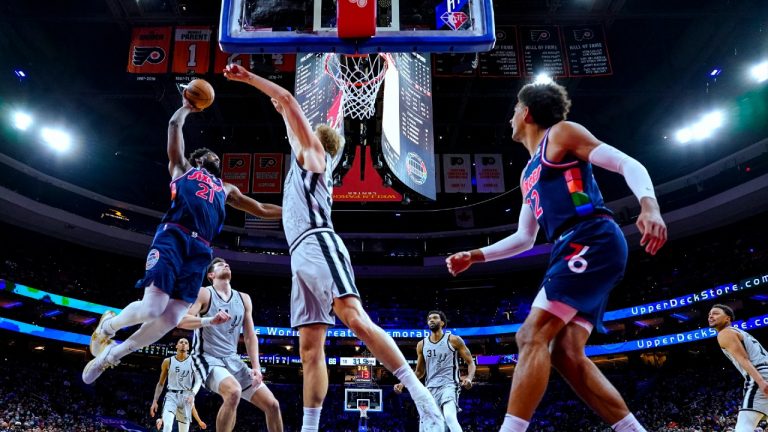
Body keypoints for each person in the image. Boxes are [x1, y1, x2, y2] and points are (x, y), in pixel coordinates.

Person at [223, 63, 445, 432]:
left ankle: (421, 397)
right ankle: (310, 428)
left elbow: (288, 99)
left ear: (314, 139)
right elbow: (287, 123)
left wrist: (251, 79)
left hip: (319, 243)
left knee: (355, 319)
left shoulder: (314, 156)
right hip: (300, 256)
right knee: (309, 350)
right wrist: (282, 115)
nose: (295, 134)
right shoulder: (301, 168)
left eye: (299, 132)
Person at [445, 81, 667, 432]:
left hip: (590, 235)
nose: (510, 118)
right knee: (565, 353)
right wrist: (475, 255)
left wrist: (649, 205)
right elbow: (525, 238)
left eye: (514, 110)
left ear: (527, 112)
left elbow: (627, 163)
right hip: (573, 245)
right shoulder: (527, 173)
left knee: (529, 334)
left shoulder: (561, 133)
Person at [83, 95, 282, 384]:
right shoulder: (183, 169)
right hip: (174, 236)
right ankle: (108, 326)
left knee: (171, 318)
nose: (216, 158)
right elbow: (174, 125)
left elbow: (261, 209)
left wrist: (294, 212)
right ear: (199, 159)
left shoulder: (226, 188)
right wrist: (186, 108)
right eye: (212, 155)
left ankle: (111, 356)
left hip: (201, 250)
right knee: (152, 308)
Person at [178, 258, 283, 432]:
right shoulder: (204, 293)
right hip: (206, 357)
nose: (226, 265)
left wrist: (256, 367)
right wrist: (210, 320)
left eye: (227, 264)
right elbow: (182, 321)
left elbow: (250, 336)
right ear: (211, 275)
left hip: (232, 359)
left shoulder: (244, 298)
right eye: (220, 265)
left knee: (273, 405)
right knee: (234, 392)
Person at [394, 311, 476, 432]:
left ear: (442, 323)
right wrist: (402, 383)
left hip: (449, 385)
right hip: (430, 388)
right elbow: (419, 372)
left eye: (435, 318)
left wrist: (469, 378)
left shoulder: (454, 340)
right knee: (430, 425)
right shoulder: (422, 344)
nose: (431, 320)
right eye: (429, 319)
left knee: (449, 416)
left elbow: (471, 363)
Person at [708, 304, 768, 432]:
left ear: (727, 318)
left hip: (761, 374)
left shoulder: (725, 333)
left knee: (744, 425)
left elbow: (744, 359)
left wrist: (761, 382)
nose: (711, 316)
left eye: (716, 313)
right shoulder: (740, 332)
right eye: (709, 314)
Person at [149, 338, 208, 432]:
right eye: (181, 342)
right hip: (171, 396)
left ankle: (160, 420)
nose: (183, 344)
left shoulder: (193, 361)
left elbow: (198, 381)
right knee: (167, 427)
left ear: (188, 347)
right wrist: (155, 401)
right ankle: (161, 420)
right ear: (176, 346)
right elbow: (160, 383)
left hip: (186, 396)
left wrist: (192, 394)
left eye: (186, 343)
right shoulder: (167, 361)